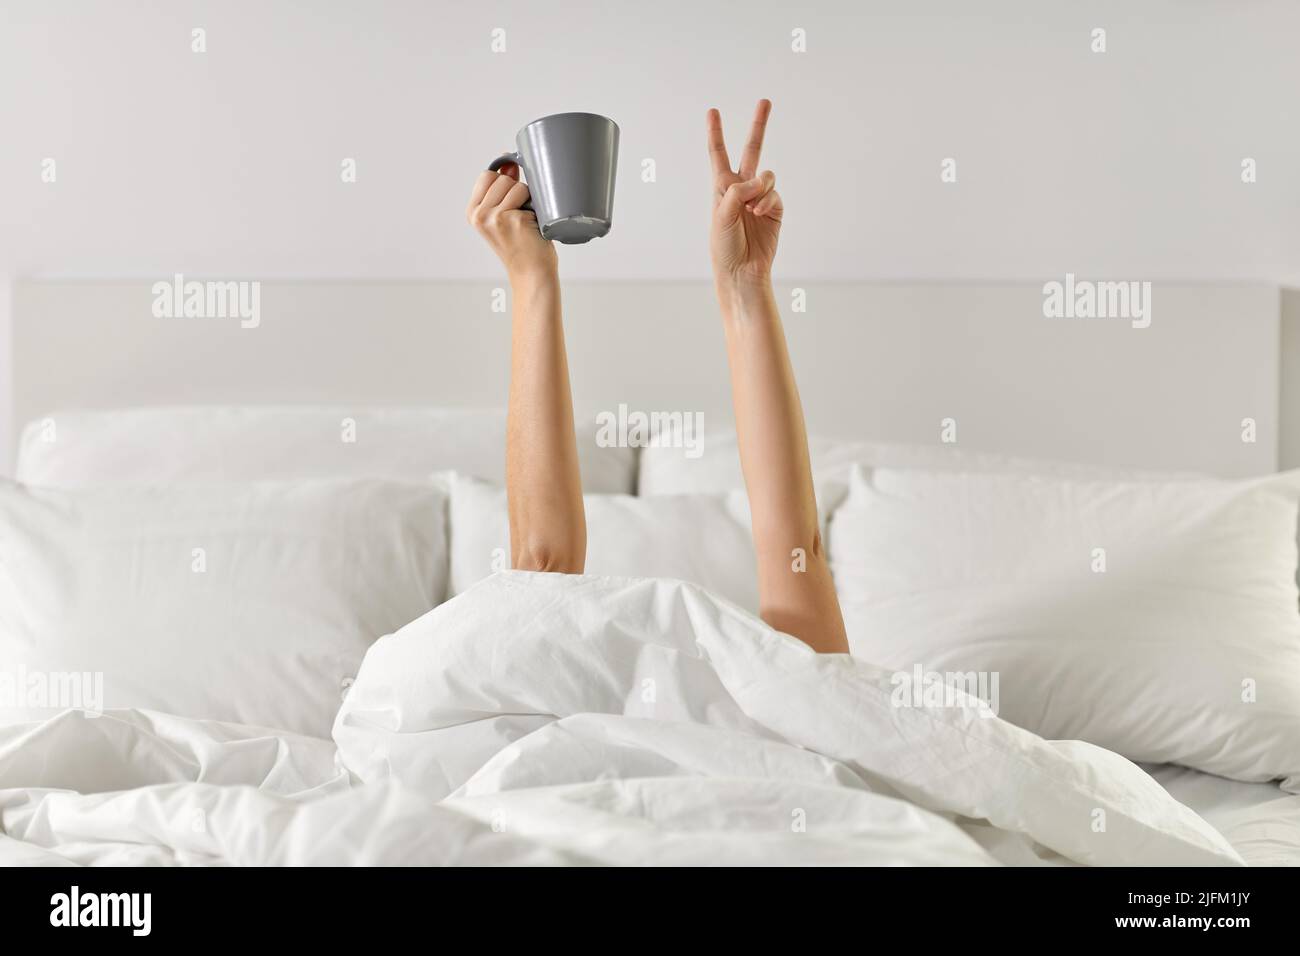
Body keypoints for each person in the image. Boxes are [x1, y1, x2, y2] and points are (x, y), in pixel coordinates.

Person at [466, 99, 848, 655]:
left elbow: (541, 571)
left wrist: (531, 281)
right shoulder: (801, 710)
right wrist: (744, 285)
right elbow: (799, 551)